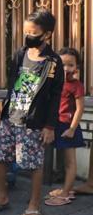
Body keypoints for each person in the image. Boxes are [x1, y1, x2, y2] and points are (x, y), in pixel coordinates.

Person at [0, 9, 63, 215]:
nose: (28, 36)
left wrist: (50, 126)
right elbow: (12, 82)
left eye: (33, 32)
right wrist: (6, 110)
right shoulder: (20, 53)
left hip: (33, 120)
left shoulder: (53, 62)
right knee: (0, 157)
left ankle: (34, 204)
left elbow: (56, 96)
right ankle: (1, 196)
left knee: (33, 163)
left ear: (47, 34)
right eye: (26, 32)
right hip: (11, 115)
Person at [44, 47, 85, 206]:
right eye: (62, 64)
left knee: (69, 162)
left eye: (70, 65)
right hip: (54, 125)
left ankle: (66, 194)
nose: (66, 68)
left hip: (68, 126)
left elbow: (80, 109)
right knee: (59, 160)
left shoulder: (76, 85)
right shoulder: (54, 82)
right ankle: (65, 189)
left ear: (76, 67)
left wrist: (72, 129)